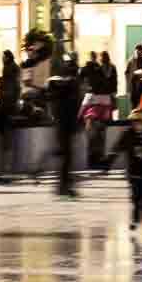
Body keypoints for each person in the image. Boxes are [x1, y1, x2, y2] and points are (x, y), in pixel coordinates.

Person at [45, 57, 82, 197]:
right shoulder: (72, 85)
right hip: (66, 125)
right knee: (66, 157)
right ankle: (64, 186)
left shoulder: (57, 85)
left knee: (65, 156)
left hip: (61, 124)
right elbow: (74, 107)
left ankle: (63, 186)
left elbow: (51, 99)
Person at [80, 51, 116, 168]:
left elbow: (84, 107)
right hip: (104, 110)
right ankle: (99, 161)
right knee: (101, 138)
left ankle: (92, 161)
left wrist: (79, 116)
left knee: (92, 139)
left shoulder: (91, 92)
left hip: (93, 117)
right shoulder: (107, 71)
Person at [0, 51, 22, 182]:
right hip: (8, 113)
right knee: (7, 143)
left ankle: (6, 171)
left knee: (7, 143)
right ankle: (7, 170)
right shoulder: (13, 84)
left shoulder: (10, 83)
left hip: (7, 113)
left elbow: (8, 95)